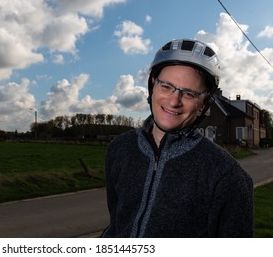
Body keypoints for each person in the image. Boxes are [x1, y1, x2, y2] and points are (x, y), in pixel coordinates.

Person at [102, 39, 254, 238]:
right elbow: (117, 226)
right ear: (152, 85)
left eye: (189, 94)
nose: (174, 101)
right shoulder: (119, 149)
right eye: (166, 87)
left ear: (204, 103)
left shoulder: (229, 177)